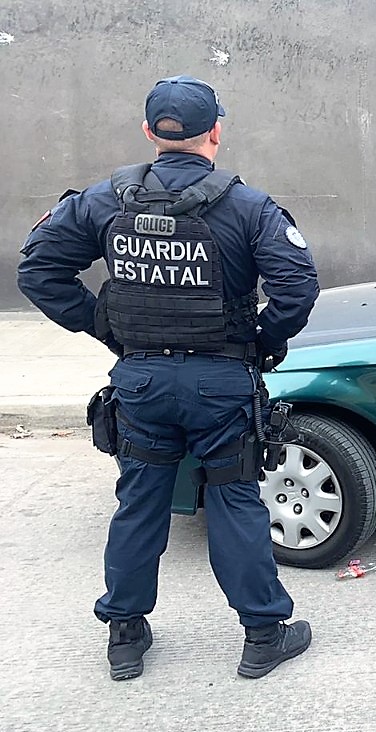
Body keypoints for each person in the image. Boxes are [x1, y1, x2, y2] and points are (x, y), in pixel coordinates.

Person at [17, 75, 320, 677]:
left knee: (139, 504)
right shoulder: (248, 206)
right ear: (216, 132)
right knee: (235, 501)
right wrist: (261, 343)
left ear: (149, 132)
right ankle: (263, 635)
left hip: (142, 383)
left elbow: (39, 271)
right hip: (221, 381)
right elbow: (297, 287)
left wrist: (107, 327)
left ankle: (125, 637)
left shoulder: (104, 201)